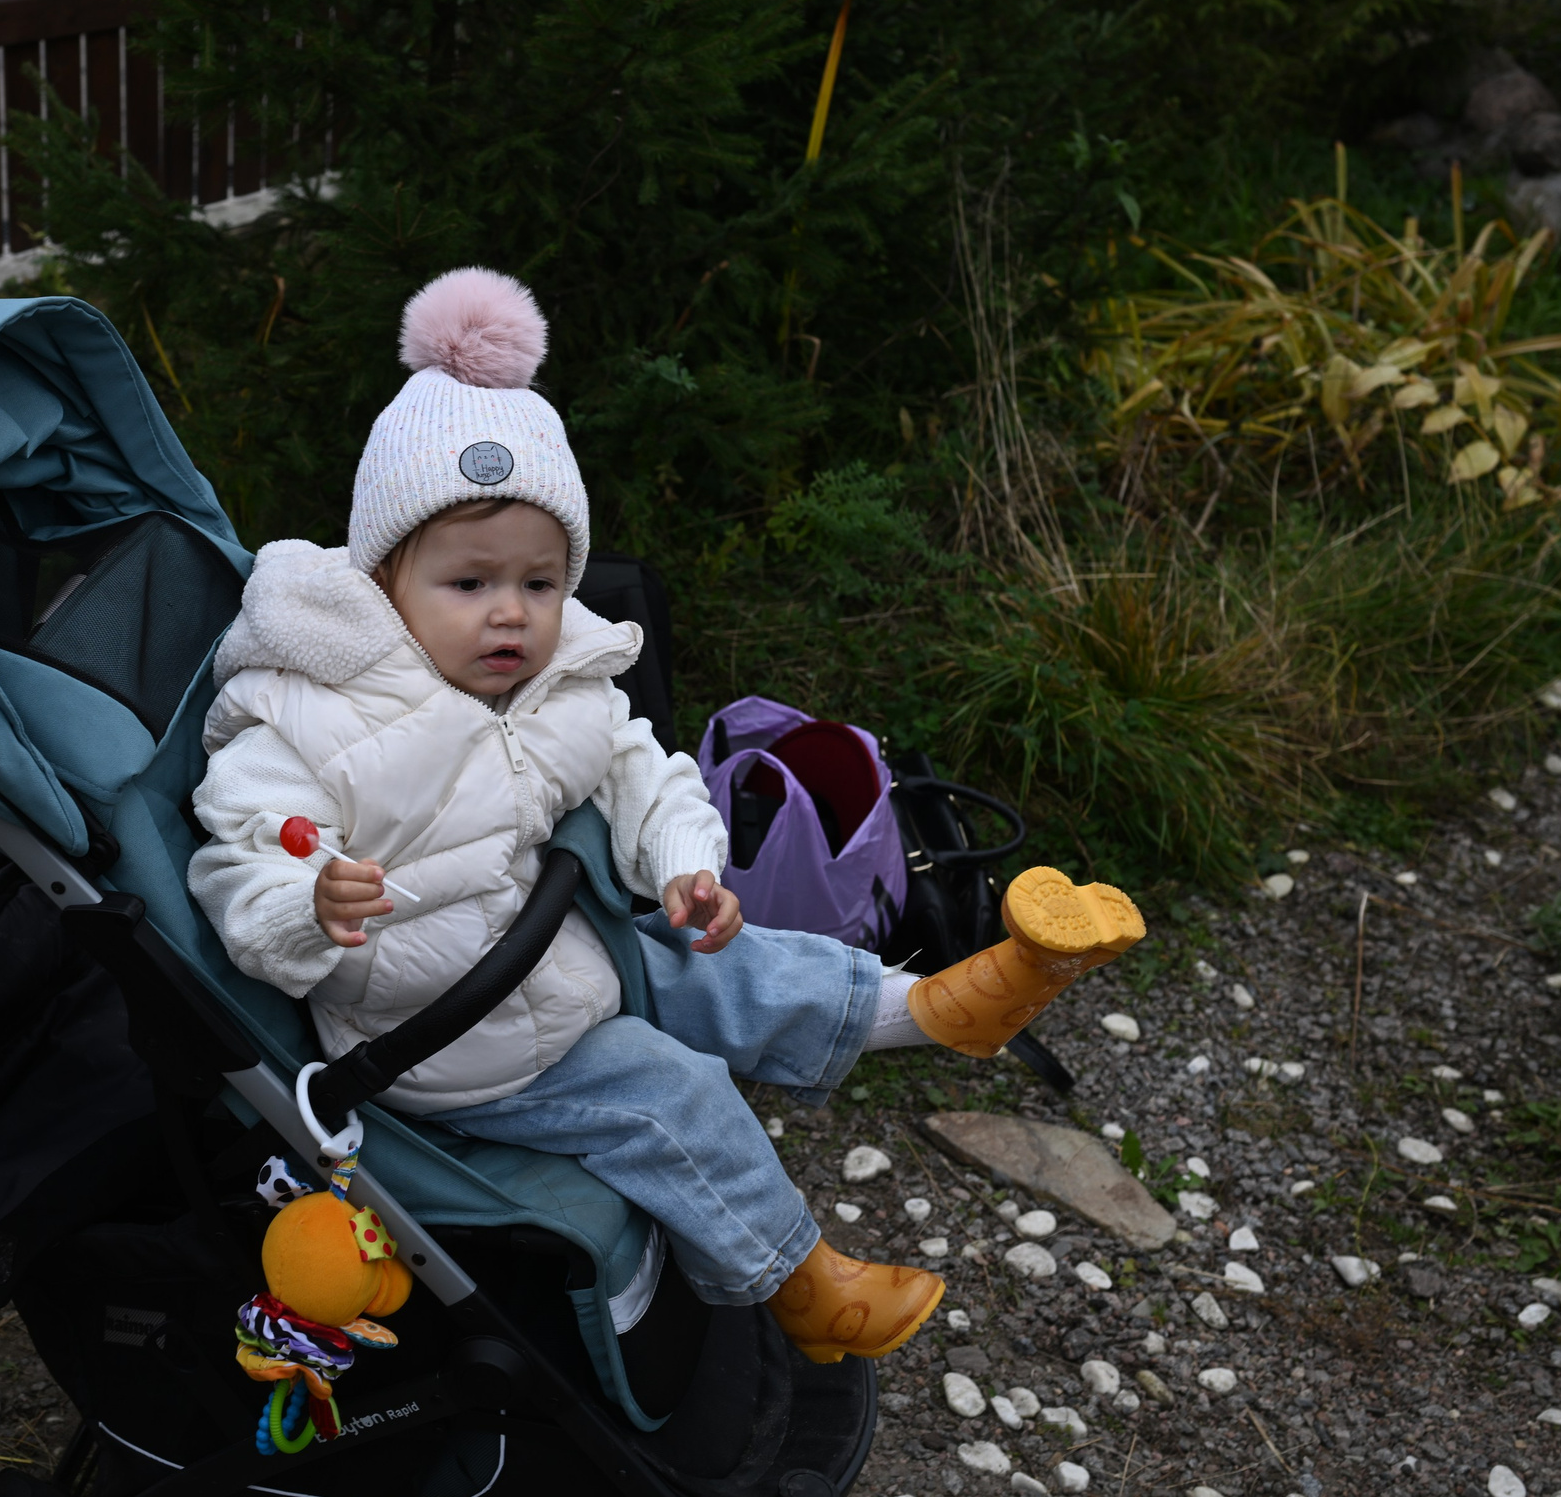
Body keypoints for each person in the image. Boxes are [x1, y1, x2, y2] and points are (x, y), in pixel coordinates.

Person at [188, 268, 1144, 1361]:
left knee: (713, 955)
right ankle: (801, 1284)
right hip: (450, 1040)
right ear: (385, 579)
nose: (511, 613)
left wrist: (686, 864)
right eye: (469, 585)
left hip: (544, 951)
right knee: (667, 1093)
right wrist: (308, 902)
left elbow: (640, 769)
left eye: (540, 584)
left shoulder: (549, 686)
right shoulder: (311, 713)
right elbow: (238, 860)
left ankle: (939, 1005)